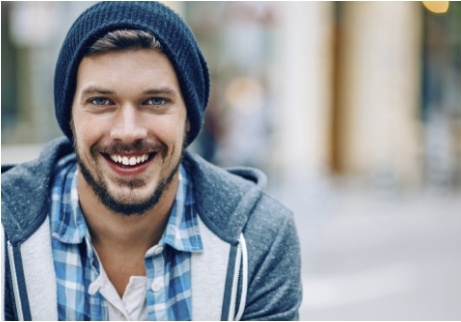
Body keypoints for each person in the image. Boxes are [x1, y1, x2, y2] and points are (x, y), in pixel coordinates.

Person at [1, 2, 302, 320]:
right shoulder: (6, 225)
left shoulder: (260, 237)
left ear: (189, 118)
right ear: (70, 118)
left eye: (155, 101)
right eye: (101, 101)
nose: (128, 132)